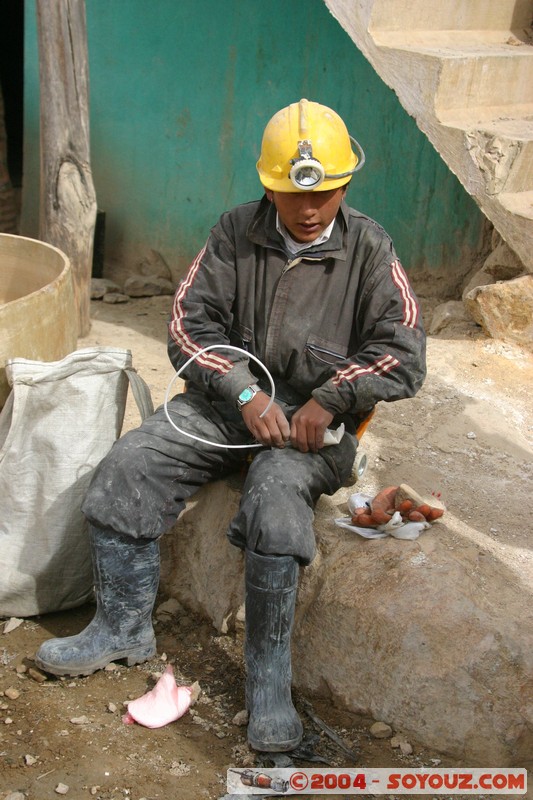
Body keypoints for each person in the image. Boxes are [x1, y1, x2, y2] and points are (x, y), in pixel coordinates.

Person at [35, 99, 426, 753]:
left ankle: (268, 690)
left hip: (311, 433)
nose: (308, 210)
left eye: (324, 194)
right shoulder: (233, 232)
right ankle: (122, 628)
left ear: (344, 186)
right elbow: (186, 322)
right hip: (222, 407)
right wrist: (241, 389)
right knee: (128, 466)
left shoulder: (370, 249)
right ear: (267, 184)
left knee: (275, 504)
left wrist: (330, 398)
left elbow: (403, 353)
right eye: (291, 194)